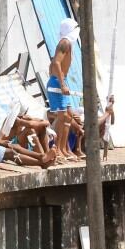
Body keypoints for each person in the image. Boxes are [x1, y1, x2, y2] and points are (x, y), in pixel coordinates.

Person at [48, 18, 82, 161]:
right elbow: (56, 62)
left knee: (68, 116)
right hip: (58, 82)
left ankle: (63, 148)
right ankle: (55, 149)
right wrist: (62, 84)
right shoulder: (64, 43)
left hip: (63, 79)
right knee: (62, 117)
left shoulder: (68, 44)